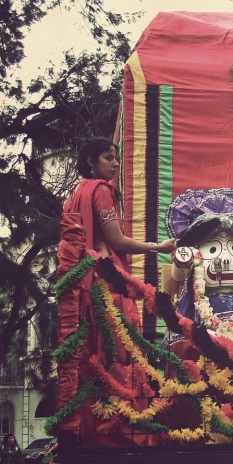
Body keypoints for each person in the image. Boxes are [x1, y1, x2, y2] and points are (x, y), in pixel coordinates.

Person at [63, 138, 176, 326]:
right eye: (109, 158)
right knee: (117, 338)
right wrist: (158, 247)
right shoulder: (100, 189)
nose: (116, 163)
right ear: (91, 161)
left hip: (82, 275)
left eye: (116, 158)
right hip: (107, 274)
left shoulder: (75, 191)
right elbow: (117, 241)